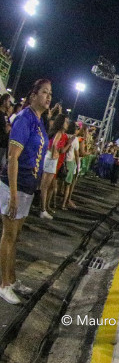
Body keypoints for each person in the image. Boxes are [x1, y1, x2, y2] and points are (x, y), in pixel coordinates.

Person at [0, 80, 51, 304]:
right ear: (32, 96)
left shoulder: (39, 121)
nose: (48, 97)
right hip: (15, 185)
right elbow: (12, 157)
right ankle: (3, 284)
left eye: (50, 93)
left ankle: (12, 279)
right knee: (8, 235)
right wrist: (12, 194)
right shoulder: (24, 119)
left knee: (16, 236)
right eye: (44, 92)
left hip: (28, 187)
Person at [38, 114, 67, 219]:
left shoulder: (54, 131)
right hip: (51, 159)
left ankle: (43, 208)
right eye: (66, 122)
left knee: (45, 186)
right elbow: (54, 144)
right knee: (45, 186)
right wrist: (55, 154)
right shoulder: (59, 132)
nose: (67, 124)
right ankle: (43, 210)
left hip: (48, 157)